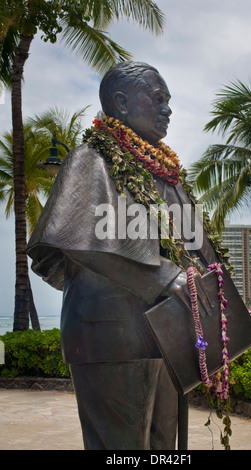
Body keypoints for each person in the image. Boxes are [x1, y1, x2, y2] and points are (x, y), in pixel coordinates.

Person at [27, 61, 219, 450]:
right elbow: (74, 238)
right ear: (120, 102)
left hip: (169, 334)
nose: (168, 109)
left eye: (169, 101)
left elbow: (195, 245)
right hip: (110, 332)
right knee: (121, 448)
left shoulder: (165, 174)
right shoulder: (90, 160)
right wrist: (167, 276)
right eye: (158, 99)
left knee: (164, 444)